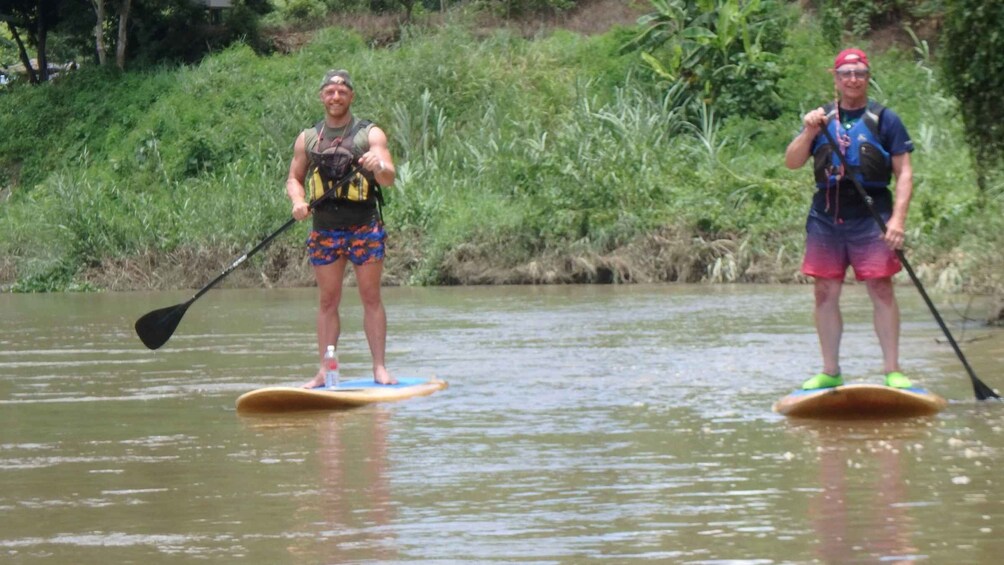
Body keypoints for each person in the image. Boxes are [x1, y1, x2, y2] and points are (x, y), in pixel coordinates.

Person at [784, 48, 915, 390]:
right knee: (824, 291)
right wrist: (810, 131)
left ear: (868, 76)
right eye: (846, 74)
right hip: (827, 214)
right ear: (836, 78)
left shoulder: (885, 119)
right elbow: (792, 161)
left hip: (872, 214)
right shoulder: (820, 118)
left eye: (859, 73)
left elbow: (904, 174)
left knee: (881, 289)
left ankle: (892, 371)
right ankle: (830, 371)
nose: (853, 79)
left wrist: (897, 221)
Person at [286, 69, 398, 387]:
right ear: (322, 96)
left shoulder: (369, 135)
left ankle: (379, 367)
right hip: (326, 229)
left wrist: (379, 166)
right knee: (327, 301)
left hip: (364, 225)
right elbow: (294, 179)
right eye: (330, 91)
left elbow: (389, 178)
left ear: (351, 96)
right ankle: (325, 370)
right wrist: (298, 201)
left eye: (342, 91)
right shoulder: (309, 138)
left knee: (370, 297)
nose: (336, 96)